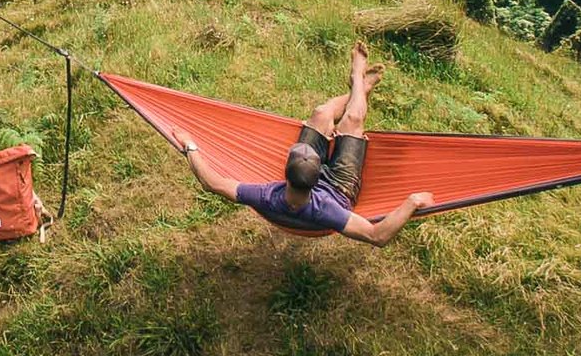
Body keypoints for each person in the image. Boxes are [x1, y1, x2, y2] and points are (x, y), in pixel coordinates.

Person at [170, 41, 431, 246]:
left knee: (322, 115)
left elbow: (212, 183)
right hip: (340, 187)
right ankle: (358, 84)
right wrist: (412, 200)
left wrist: (189, 145)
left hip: (319, 185)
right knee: (349, 119)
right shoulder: (327, 210)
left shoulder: (266, 196)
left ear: (286, 172)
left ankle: (358, 87)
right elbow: (377, 236)